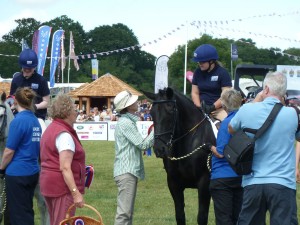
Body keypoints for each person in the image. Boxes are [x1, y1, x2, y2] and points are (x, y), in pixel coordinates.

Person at [228, 71, 300, 225]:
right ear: (283, 92)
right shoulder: (294, 114)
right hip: (283, 183)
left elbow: (231, 129)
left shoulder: (246, 110)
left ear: (265, 89)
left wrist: (256, 100)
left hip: (253, 182)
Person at [9, 48, 50, 225]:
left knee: (41, 129)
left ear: (34, 67)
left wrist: (33, 107)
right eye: (25, 69)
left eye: (30, 69)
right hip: (19, 114)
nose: (27, 72)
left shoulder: (40, 80)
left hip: (37, 116)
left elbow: (47, 101)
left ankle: (43, 160)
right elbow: (11, 98)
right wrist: (13, 106)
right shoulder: (16, 79)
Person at [39, 94, 85, 225]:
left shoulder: (51, 129)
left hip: (49, 184)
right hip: (61, 188)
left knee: (55, 221)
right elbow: (65, 168)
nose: (76, 112)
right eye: (74, 109)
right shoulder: (64, 134)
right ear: (66, 112)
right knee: (63, 221)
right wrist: (76, 193)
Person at [0, 87, 41, 225]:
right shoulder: (35, 121)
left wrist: (1, 168)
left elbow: (9, 151)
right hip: (32, 170)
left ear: (15, 101)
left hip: (17, 173)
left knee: (18, 214)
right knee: (26, 210)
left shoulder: (17, 121)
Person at [113, 90, 154, 225]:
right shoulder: (126, 123)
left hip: (127, 171)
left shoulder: (126, 121)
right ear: (128, 106)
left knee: (127, 213)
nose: (137, 103)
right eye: (133, 101)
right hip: (127, 172)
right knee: (124, 214)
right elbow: (143, 144)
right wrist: (157, 128)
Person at [207, 89, 243, 225]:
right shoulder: (244, 120)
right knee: (237, 218)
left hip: (223, 176)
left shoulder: (226, 124)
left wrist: (209, 146)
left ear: (224, 105)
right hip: (240, 175)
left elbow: (220, 152)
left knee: (224, 219)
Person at [191, 44, 232, 121]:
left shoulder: (222, 73)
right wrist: (199, 108)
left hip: (218, 110)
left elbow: (226, 95)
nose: (200, 64)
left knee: (227, 123)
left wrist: (212, 107)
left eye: (202, 62)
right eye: (198, 62)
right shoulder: (197, 72)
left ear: (211, 61)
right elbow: (195, 93)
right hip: (200, 110)